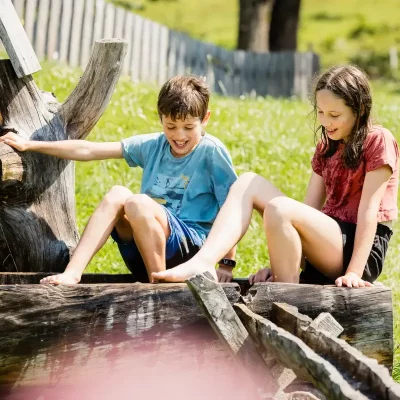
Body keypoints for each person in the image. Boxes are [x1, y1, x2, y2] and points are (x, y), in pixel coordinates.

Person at [152, 65, 399, 288]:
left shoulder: (377, 139)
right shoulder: (327, 146)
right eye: (321, 112)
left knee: (280, 208)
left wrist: (355, 272)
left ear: (360, 109)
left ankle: (287, 294)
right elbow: (308, 211)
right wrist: (281, 261)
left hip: (361, 250)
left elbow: (369, 211)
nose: (325, 122)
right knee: (248, 181)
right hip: (328, 242)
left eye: (334, 115)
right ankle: (205, 262)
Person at [0, 75, 238, 284]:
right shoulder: (153, 146)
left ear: (205, 119)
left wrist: (226, 263)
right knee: (118, 194)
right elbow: (90, 150)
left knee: (138, 202)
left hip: (190, 254)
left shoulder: (211, 152)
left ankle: (160, 287)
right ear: (160, 118)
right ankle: (73, 272)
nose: (179, 135)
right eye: (171, 126)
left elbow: (233, 208)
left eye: (188, 127)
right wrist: (31, 145)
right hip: (146, 251)